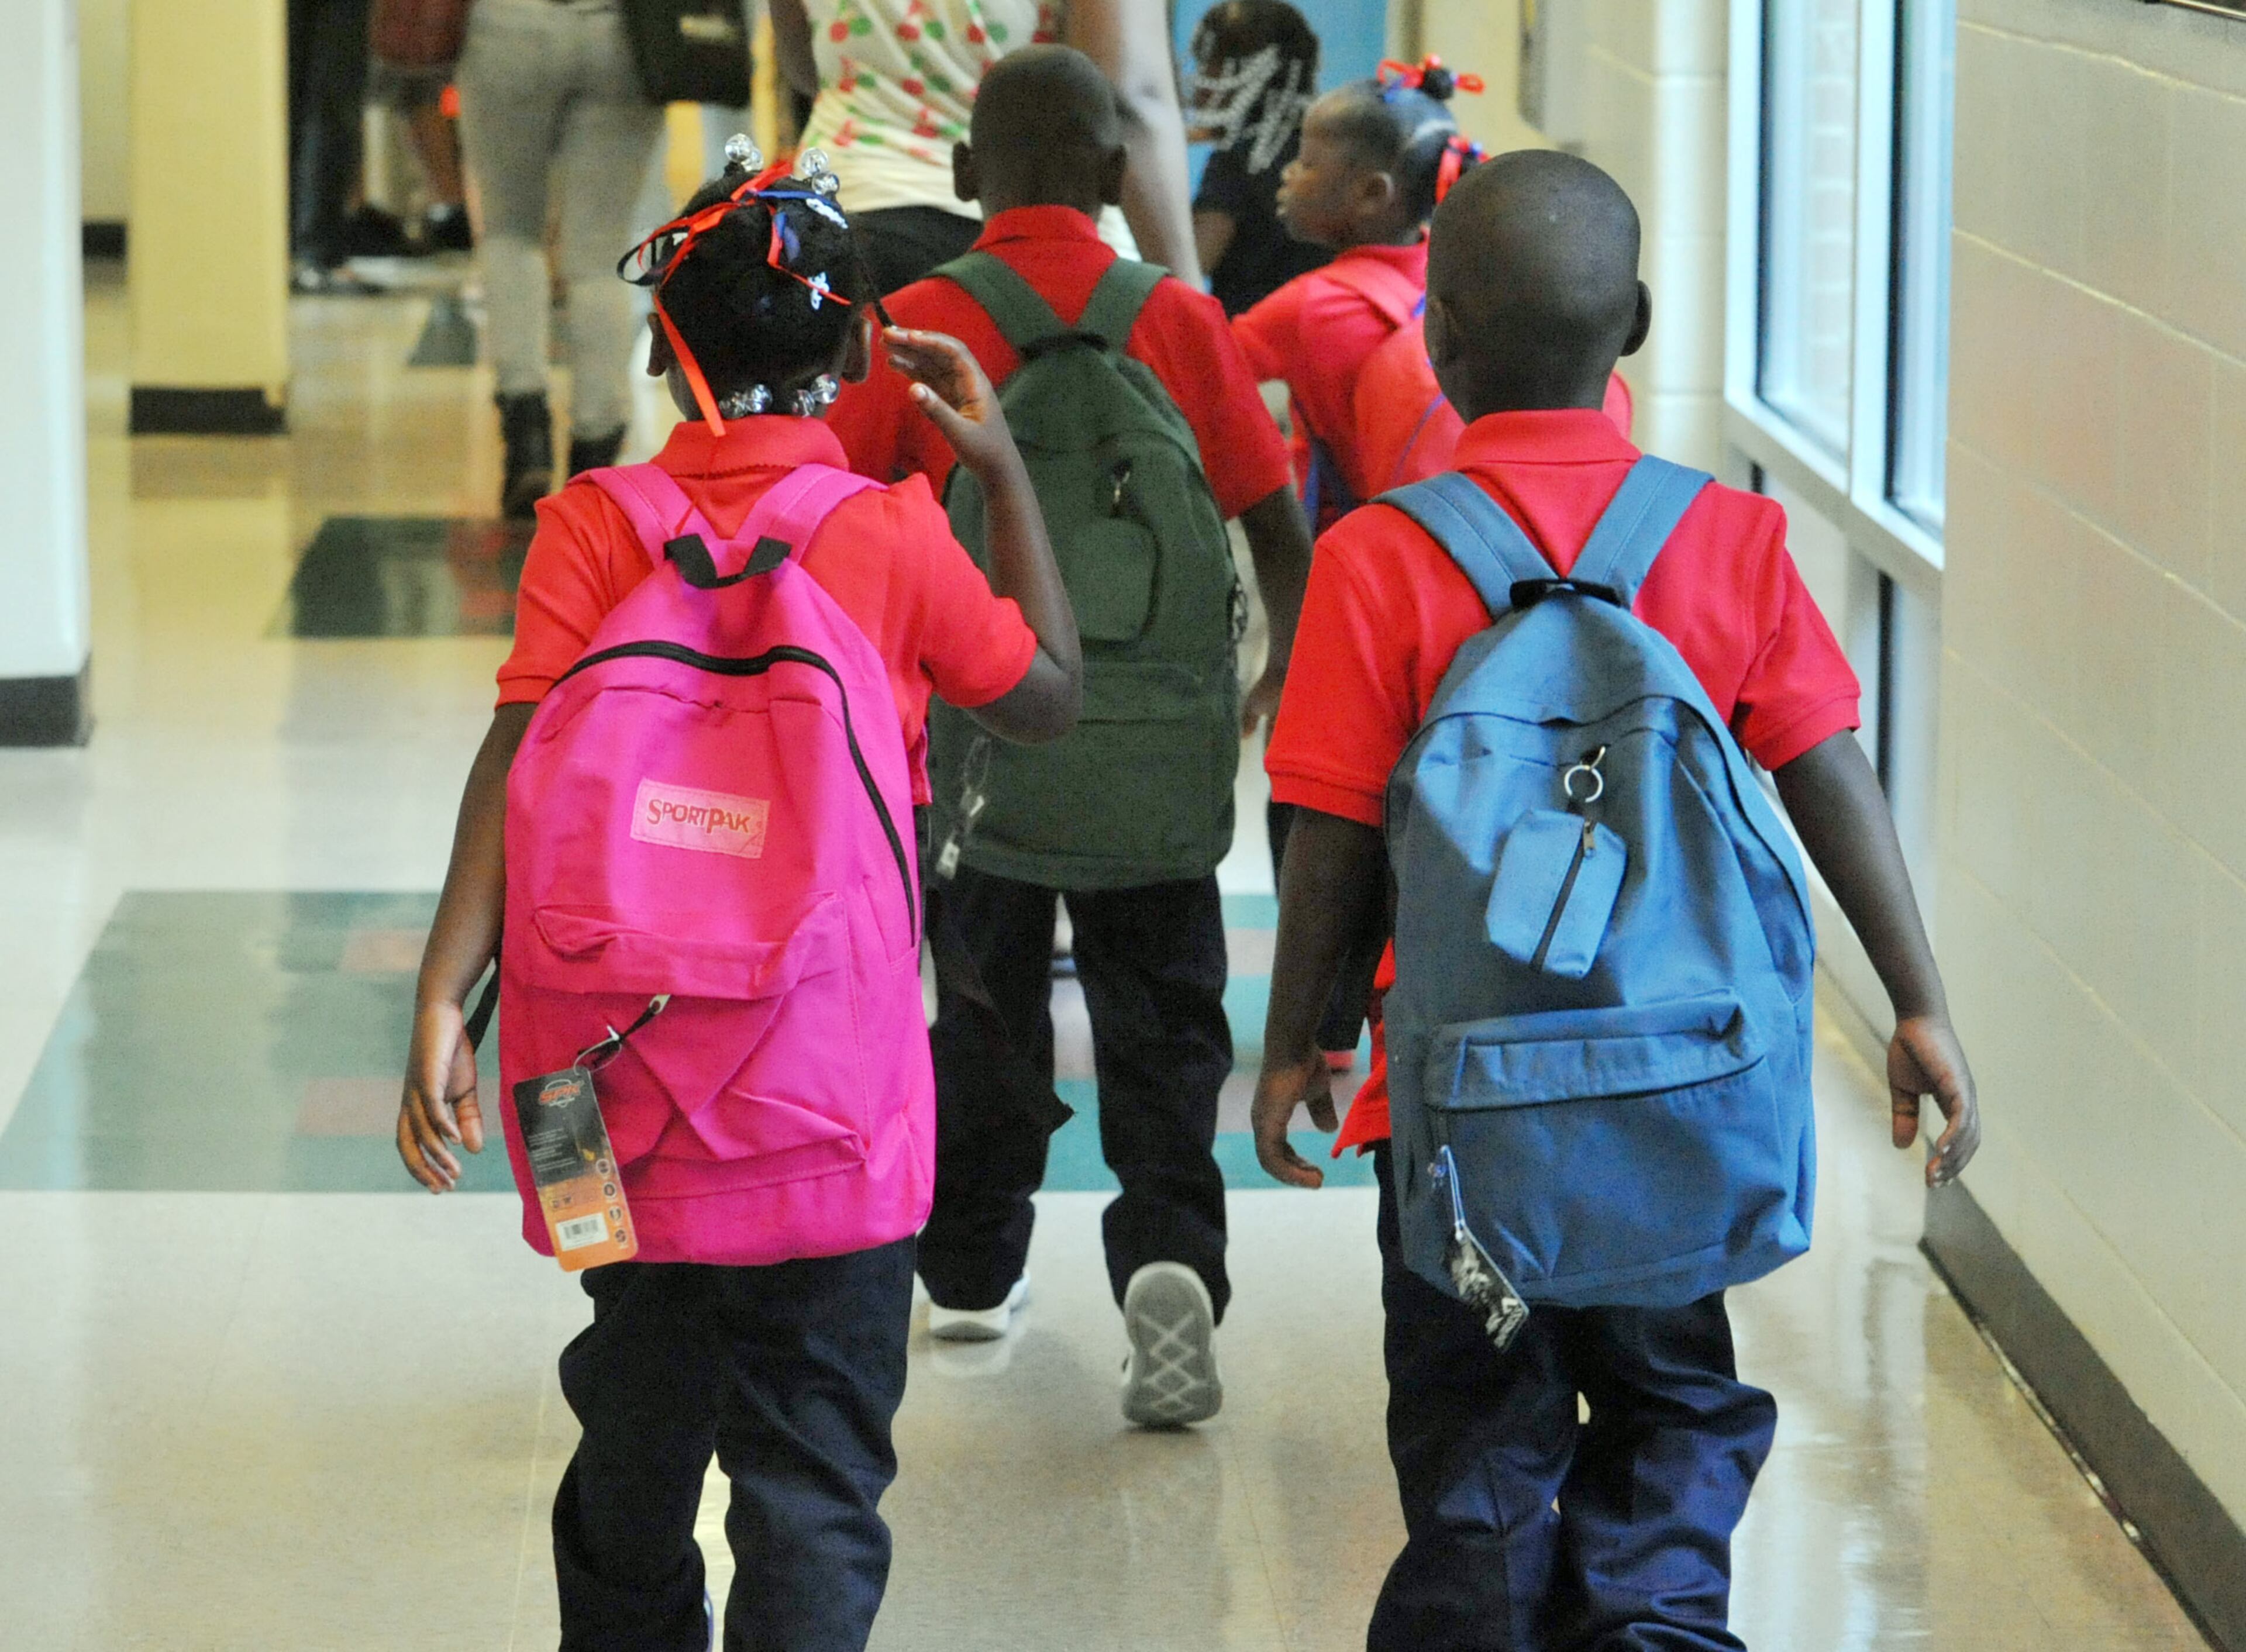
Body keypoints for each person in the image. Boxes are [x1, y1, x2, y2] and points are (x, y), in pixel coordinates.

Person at [1249, 151, 1982, 1650]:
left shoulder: (1376, 558)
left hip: (1457, 1122)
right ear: (1633, 323)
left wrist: (1297, 1042)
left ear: (1435, 341)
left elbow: (1326, 839)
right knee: (1668, 1410)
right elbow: (1826, 777)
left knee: (1476, 1441)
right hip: (1678, 1105)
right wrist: (1916, 1000)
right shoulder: (1726, 539)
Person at [395, 149, 1083, 1651]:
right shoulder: (891, 530)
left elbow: (516, 759)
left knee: (630, 1449)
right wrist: (1001, 469)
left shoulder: (594, 523)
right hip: (830, 1097)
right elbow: (1046, 697)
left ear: (661, 343)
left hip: (606, 1092)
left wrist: (447, 992)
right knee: (816, 1477)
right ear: (852, 353)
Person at [828, 45, 1312, 1426]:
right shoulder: (1175, 318)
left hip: (975, 754)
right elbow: (1277, 536)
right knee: (1165, 1015)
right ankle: (1168, 1254)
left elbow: (841, 542)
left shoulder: (913, 322)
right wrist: (1293, 703)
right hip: (1151, 748)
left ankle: (974, 1265)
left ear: (967, 176)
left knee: (981, 1012)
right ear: (1113, 178)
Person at [766, 0, 1204, 293]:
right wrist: (1191, 308)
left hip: (842, 231)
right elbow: (1127, 94)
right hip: (1043, 242)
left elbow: (803, 66)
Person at [1232, 55, 1486, 533]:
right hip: (1449, 536)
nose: (1288, 174)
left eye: (1307, 163)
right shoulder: (1453, 272)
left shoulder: (1309, 307)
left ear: (1372, 194)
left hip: (1346, 545)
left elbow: (1201, 370)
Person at [455, 0, 670, 517]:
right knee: (598, 258)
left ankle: (526, 429)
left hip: (506, 28)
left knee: (511, 236)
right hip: (620, 31)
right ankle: (596, 449)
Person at [1183, 0, 1328, 318]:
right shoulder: (1322, 147)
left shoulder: (1240, 161)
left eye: (1210, 63)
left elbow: (1189, 267)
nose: (1200, 80)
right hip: (1320, 335)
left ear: (1250, 71)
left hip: (1253, 342)